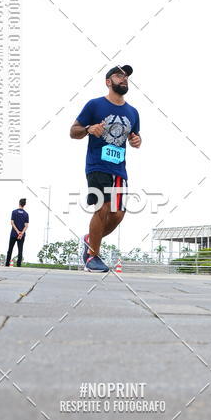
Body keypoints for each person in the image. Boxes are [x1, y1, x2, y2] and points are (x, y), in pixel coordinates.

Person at [70, 64, 141, 272]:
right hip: (97, 164)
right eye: (119, 75)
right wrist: (89, 128)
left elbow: (134, 136)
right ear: (108, 82)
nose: (124, 78)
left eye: (126, 76)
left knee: (117, 214)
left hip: (119, 170)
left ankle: (89, 239)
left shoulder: (133, 112)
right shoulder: (94, 105)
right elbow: (73, 131)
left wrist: (136, 140)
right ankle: (92, 257)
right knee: (102, 207)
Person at [6, 198, 29, 267]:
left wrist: (17, 231)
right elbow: (26, 226)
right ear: (24, 205)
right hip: (21, 236)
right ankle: (19, 266)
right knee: (20, 250)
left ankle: (7, 264)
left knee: (10, 249)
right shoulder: (26, 214)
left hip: (13, 234)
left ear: (19, 203)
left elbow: (12, 223)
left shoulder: (14, 212)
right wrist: (21, 233)